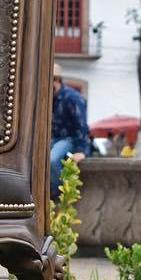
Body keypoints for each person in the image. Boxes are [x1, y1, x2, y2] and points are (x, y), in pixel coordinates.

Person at [50, 62, 91, 197]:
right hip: (53, 139)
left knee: (53, 159)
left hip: (69, 139)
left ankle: (59, 194)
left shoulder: (73, 98)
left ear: (57, 81)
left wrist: (82, 151)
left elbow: (81, 125)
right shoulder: (49, 98)